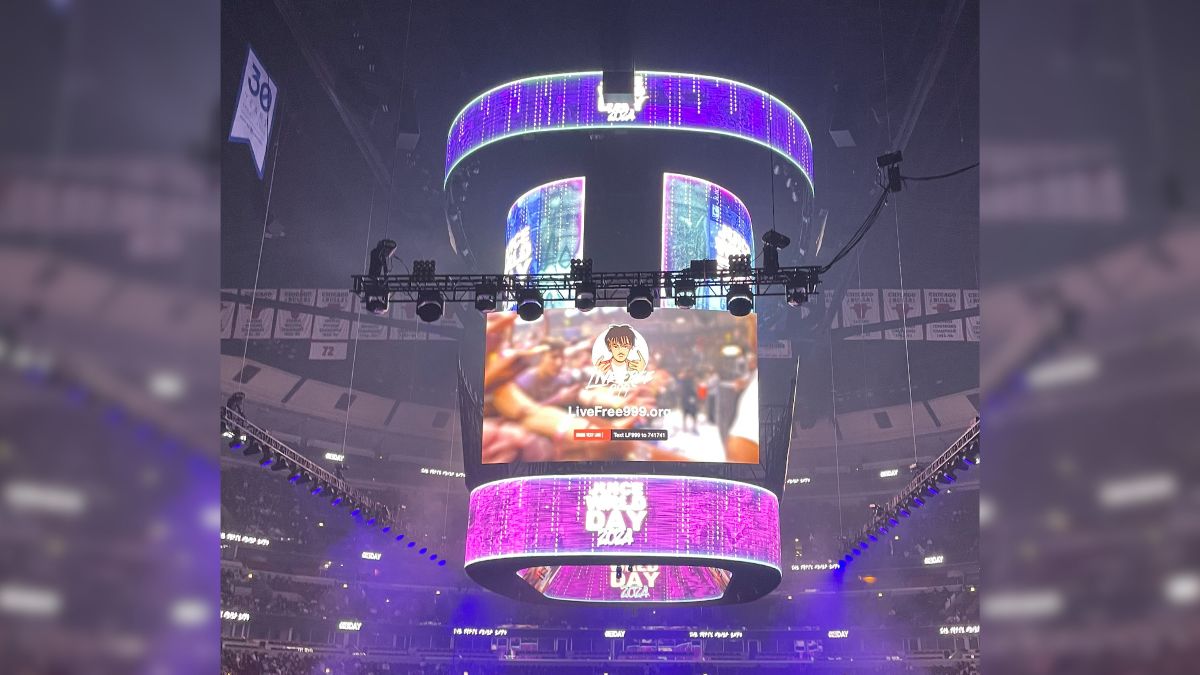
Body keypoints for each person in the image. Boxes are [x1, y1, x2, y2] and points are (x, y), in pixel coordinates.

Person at [363, 239, 397, 314]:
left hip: (374, 276)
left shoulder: (375, 253)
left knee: (375, 271)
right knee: (376, 270)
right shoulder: (377, 253)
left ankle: (376, 278)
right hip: (375, 277)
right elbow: (385, 307)